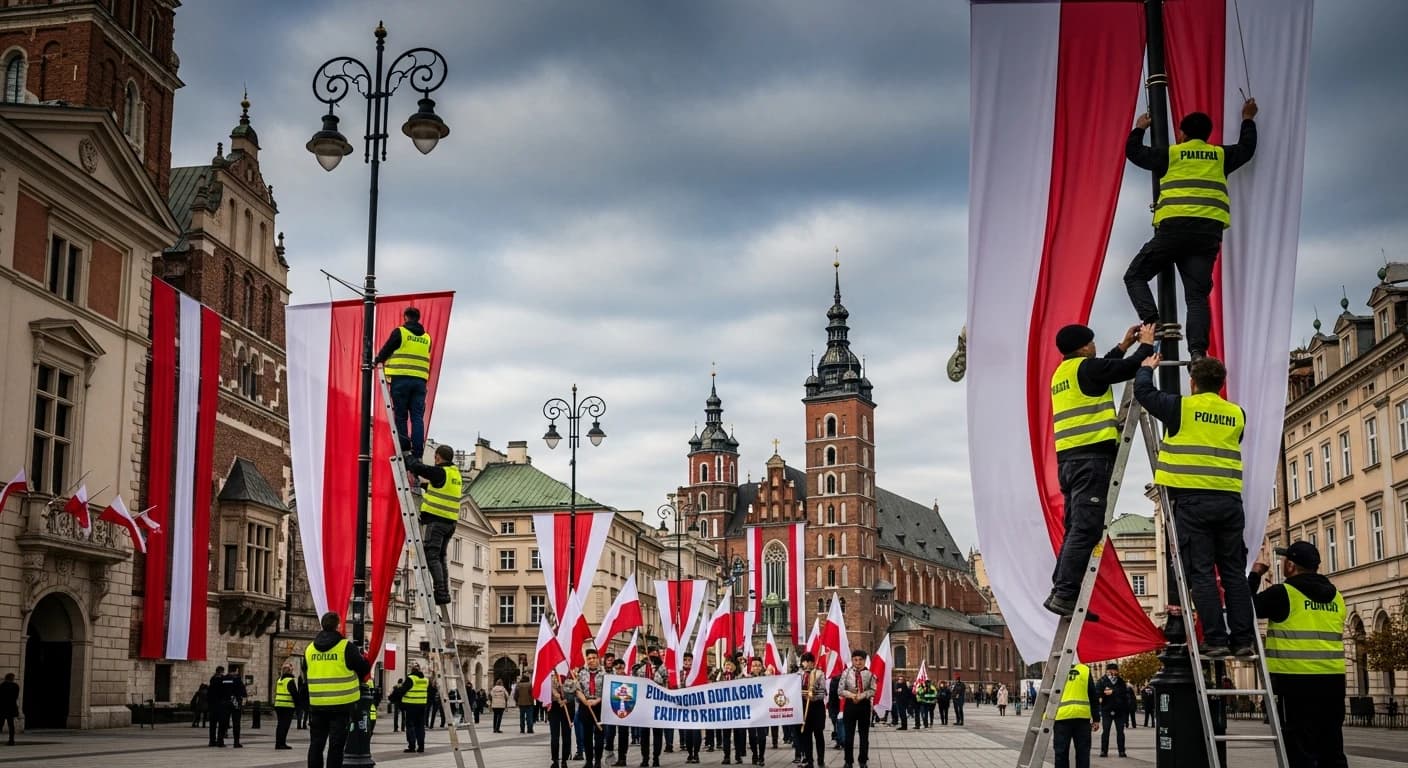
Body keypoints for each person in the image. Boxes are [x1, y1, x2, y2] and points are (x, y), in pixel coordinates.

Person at [1136, 355, 1255, 656]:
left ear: (1193, 383)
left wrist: (1146, 369)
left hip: (1193, 501)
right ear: (1221, 384)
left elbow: (1144, 394)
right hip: (1229, 501)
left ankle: (1215, 639)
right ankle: (1243, 640)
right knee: (1233, 573)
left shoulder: (1182, 408)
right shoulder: (1237, 413)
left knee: (1201, 571)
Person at [1123, 99, 1259, 361]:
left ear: (1182, 134)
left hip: (1173, 229)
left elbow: (1135, 153)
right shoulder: (1220, 155)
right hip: (1207, 233)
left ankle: (1153, 323)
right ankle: (1197, 352)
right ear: (1207, 135)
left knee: (1135, 276)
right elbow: (1247, 149)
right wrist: (1248, 119)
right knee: (1196, 297)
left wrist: (1140, 128)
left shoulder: (1172, 154)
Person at [1044, 322, 1156, 615]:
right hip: (1090, 459)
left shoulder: (1064, 373)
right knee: (1086, 529)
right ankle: (1065, 593)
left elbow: (1103, 368)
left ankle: (1061, 589)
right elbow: (1124, 369)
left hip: (1069, 462)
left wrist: (1122, 345)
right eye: (1092, 343)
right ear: (1083, 347)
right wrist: (1146, 345)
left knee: (1075, 529)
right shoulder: (1087, 369)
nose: (1095, 346)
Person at [1250, 541, 1348, 768]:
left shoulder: (1284, 594)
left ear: (1291, 566)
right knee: (1332, 747)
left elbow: (1243, 609)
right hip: (1333, 681)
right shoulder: (1337, 596)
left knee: (1299, 748)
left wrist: (1255, 574)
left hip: (1294, 681)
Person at [306, 611, 372, 768]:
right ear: (338, 625)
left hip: (317, 704)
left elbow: (305, 671)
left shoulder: (310, 649)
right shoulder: (345, 647)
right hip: (341, 705)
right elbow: (363, 668)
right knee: (336, 746)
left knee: (316, 744)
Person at [405, 443, 459, 605]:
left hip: (437, 521)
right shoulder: (454, 474)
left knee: (431, 556)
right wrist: (420, 485)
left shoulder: (439, 471)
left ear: (437, 457)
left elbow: (422, 469)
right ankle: (444, 593)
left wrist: (408, 459)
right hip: (450, 522)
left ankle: (440, 591)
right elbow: (438, 488)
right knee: (440, 557)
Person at [374, 306, 432, 458]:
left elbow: (386, 350)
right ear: (418, 318)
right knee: (417, 417)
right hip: (420, 382)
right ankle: (418, 451)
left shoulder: (400, 332)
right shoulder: (427, 338)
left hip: (401, 380)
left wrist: (377, 361)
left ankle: (404, 448)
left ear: (405, 317)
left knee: (401, 416)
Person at [1052, 662, 1101, 768]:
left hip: (1062, 718)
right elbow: (1093, 695)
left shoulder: (1055, 668)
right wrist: (1096, 718)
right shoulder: (1085, 670)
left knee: (1061, 753)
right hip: (1081, 717)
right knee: (1083, 753)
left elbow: (1048, 696)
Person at [838, 651, 875, 768]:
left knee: (864, 736)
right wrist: (852, 695)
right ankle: (848, 761)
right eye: (855, 660)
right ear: (852, 660)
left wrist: (862, 695)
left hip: (864, 706)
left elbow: (873, 690)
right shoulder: (846, 673)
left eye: (860, 660)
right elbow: (840, 690)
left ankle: (863, 760)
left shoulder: (870, 674)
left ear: (864, 660)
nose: (858, 662)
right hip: (850, 705)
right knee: (849, 735)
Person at [634, 650, 666, 767]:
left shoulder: (663, 668)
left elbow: (666, 684)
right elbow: (635, 680)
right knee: (644, 734)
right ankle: (645, 758)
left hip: (658, 705)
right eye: (651, 653)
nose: (653, 655)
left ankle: (656, 757)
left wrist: (655, 672)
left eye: (655, 653)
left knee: (657, 733)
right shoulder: (641, 668)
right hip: (644, 706)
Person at [578, 650, 608, 768]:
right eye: (589, 658)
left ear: (598, 659)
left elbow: (608, 690)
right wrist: (585, 701)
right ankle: (589, 761)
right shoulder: (581, 673)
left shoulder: (605, 674)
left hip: (600, 705)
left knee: (600, 734)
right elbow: (577, 688)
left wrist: (597, 700)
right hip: (585, 706)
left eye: (594, 658)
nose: (591, 660)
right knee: (586, 735)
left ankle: (598, 761)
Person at [391, 662, 429, 753]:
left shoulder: (411, 679)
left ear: (411, 670)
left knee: (410, 726)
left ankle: (412, 746)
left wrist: (393, 695)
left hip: (411, 706)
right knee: (420, 726)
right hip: (422, 705)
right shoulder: (425, 680)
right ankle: (421, 747)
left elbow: (402, 691)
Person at [797, 653, 826, 768]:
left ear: (814, 662)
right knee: (806, 735)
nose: (808, 664)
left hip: (817, 707)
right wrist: (802, 695)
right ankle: (809, 760)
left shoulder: (819, 674)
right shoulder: (799, 675)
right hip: (804, 707)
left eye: (810, 661)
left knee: (818, 734)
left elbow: (822, 692)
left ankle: (821, 759)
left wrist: (812, 696)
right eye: (805, 661)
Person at [1095, 662, 1127, 758]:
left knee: (1120, 731)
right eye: (1110, 670)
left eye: (1115, 670)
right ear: (1107, 671)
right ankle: (1104, 751)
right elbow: (1097, 693)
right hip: (1106, 709)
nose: (1113, 672)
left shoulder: (1121, 681)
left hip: (1119, 710)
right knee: (1106, 731)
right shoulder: (1102, 681)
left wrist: (1112, 692)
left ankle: (1121, 751)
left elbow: (1124, 693)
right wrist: (1103, 695)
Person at [549, 671, 580, 768]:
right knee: (555, 736)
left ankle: (564, 760)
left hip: (568, 707)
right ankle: (555, 760)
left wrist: (565, 700)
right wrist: (554, 693)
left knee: (566, 734)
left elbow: (576, 691)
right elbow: (545, 690)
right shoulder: (551, 675)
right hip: (554, 707)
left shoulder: (571, 674)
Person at [604, 659, 630, 766]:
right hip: (611, 711)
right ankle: (610, 754)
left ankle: (622, 758)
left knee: (623, 734)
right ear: (614, 669)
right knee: (610, 734)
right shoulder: (609, 679)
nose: (620, 670)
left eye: (622, 668)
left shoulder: (630, 679)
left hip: (625, 711)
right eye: (617, 668)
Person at [678, 653, 702, 763]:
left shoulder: (697, 672)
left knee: (696, 731)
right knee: (687, 732)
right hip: (684, 707)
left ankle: (696, 754)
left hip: (697, 706)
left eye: (689, 660)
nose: (687, 662)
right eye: (685, 660)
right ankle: (689, 753)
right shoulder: (679, 673)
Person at [217, 667, 247, 748]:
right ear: (236, 670)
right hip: (235, 703)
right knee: (236, 723)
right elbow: (243, 692)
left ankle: (220, 741)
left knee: (222, 722)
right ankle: (236, 742)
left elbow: (218, 691)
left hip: (224, 703)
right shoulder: (237, 680)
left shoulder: (222, 679)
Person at [746, 658, 768, 764]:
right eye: (754, 665)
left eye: (758, 665)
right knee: (751, 736)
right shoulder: (745, 678)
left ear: (762, 667)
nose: (756, 667)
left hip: (762, 712)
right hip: (750, 711)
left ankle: (761, 756)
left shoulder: (767, 678)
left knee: (762, 736)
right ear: (750, 667)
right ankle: (754, 754)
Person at [274, 663, 299, 750]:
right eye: (292, 669)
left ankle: (278, 743)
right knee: (285, 725)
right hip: (287, 705)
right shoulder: (290, 680)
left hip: (278, 705)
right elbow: (294, 694)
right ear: (290, 671)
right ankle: (282, 743)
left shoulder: (279, 680)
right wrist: (298, 705)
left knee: (280, 725)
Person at [207, 666, 227, 747]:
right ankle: (220, 741)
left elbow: (209, 694)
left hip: (212, 705)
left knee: (213, 725)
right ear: (222, 672)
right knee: (221, 724)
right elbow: (225, 692)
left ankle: (212, 741)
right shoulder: (223, 680)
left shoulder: (212, 680)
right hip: (221, 705)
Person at [0, 673, 18, 746]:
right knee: (11, 725)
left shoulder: (2, 685)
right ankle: (11, 740)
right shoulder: (16, 686)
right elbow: (15, 697)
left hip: (3, 708)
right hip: (11, 708)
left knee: (0, 723)